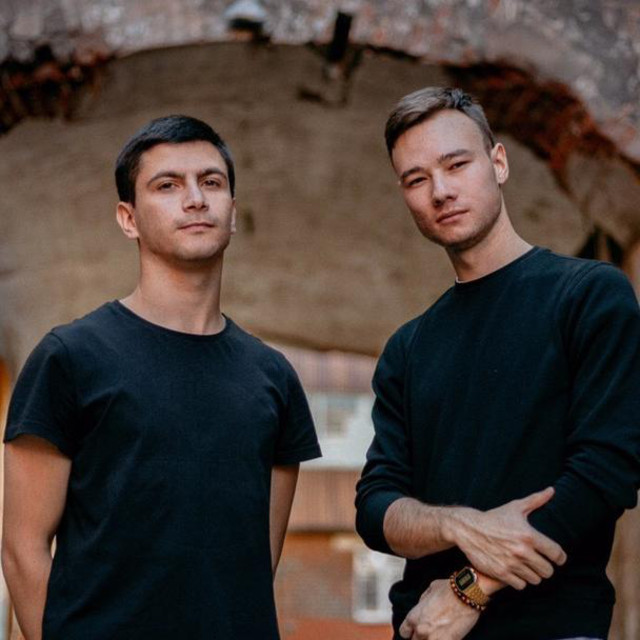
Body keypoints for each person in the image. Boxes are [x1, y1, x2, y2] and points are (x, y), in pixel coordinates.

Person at [2, 115, 321, 640]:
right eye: (167, 185)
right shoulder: (70, 358)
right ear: (128, 219)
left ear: (232, 212)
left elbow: (254, 567)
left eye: (211, 182)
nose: (194, 199)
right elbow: (22, 551)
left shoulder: (273, 378)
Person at [355, 87, 640, 640]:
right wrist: (460, 525)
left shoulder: (589, 296)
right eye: (416, 179)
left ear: (499, 163)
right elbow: (375, 507)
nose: (440, 191)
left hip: (551, 626)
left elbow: (606, 473)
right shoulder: (407, 348)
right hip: (424, 629)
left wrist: (471, 588)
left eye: (456, 164)